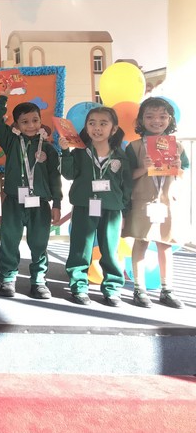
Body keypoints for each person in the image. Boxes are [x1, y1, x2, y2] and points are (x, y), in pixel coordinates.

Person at [0, 91, 62, 299]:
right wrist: (3, 98)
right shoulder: (11, 142)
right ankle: (8, 278)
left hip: (40, 204)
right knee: (9, 241)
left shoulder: (48, 149)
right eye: (25, 122)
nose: (31, 125)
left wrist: (57, 203)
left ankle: (39, 281)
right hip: (13, 201)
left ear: (40, 121)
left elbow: (55, 177)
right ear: (16, 124)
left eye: (35, 120)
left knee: (39, 243)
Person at [60, 106, 132, 306]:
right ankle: (79, 286)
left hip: (112, 209)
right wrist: (65, 152)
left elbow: (126, 185)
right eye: (92, 123)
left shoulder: (120, 156)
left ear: (113, 129)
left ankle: (112, 288)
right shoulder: (80, 152)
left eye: (103, 123)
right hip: (84, 205)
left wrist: (124, 210)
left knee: (110, 250)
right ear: (86, 127)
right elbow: (68, 174)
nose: (97, 128)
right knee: (80, 248)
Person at [123, 97, 189, 309]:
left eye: (162, 116)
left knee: (165, 244)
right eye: (150, 116)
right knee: (141, 241)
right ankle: (139, 289)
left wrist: (178, 167)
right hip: (143, 202)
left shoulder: (177, 147)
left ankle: (167, 289)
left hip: (167, 202)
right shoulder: (134, 147)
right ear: (141, 120)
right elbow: (126, 176)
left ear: (170, 119)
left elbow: (184, 174)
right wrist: (143, 168)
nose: (156, 121)